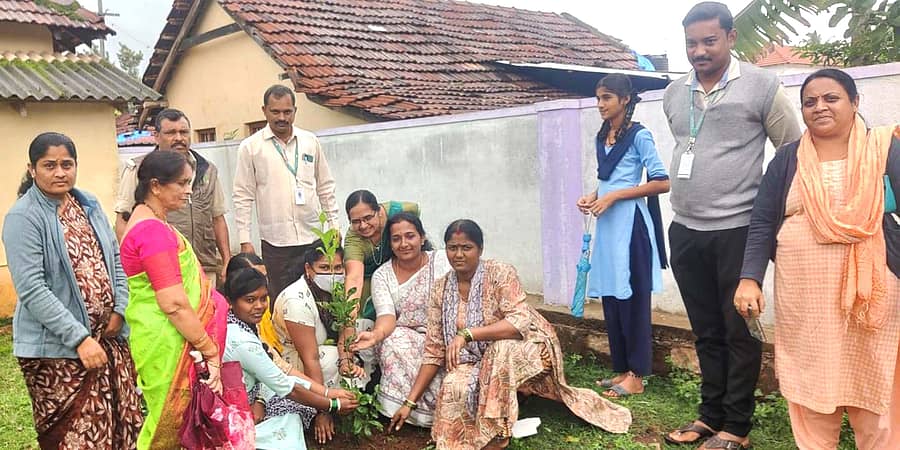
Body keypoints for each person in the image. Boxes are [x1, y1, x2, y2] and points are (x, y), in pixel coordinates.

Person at [736, 69, 900, 450]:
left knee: (875, 382)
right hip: (804, 299)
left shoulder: (884, 149)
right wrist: (749, 278)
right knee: (811, 384)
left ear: (854, 102)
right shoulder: (787, 158)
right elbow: (762, 221)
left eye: (831, 98)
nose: (819, 107)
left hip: (872, 297)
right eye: (810, 102)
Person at [661, 3, 802, 448]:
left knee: (739, 331)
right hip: (685, 230)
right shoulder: (674, 92)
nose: (699, 51)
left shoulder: (761, 86)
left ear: (731, 37)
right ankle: (710, 416)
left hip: (739, 230)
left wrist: (775, 217)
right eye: (691, 43)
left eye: (709, 41)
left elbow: (792, 152)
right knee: (706, 331)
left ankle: (736, 427)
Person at [392, 219, 632, 449]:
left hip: (529, 347)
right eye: (452, 248)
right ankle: (463, 441)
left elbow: (519, 324)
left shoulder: (500, 273)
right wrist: (409, 403)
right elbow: (434, 350)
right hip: (476, 359)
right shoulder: (441, 289)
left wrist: (468, 334)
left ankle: (499, 433)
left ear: (480, 249)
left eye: (466, 247)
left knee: (501, 350)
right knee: (454, 385)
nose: (459, 254)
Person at [3, 132, 144, 449]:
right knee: (78, 439)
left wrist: (119, 309)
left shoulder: (87, 204)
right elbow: (32, 288)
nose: (59, 172)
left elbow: (116, 259)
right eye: (49, 165)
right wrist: (80, 339)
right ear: (32, 169)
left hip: (107, 341)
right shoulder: (24, 217)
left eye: (66, 164)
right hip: (58, 352)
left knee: (120, 431)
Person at [119, 150, 249, 449]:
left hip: (165, 336)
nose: (188, 190)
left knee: (180, 425)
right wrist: (208, 348)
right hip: (169, 341)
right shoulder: (151, 232)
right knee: (171, 427)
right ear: (155, 186)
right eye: (181, 183)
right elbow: (174, 303)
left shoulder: (149, 222)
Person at [576, 74, 670, 398]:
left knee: (633, 298)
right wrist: (593, 196)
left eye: (607, 98)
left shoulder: (639, 136)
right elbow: (609, 180)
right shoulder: (603, 135)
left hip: (631, 226)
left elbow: (661, 182)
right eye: (598, 98)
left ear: (625, 99)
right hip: (608, 225)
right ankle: (621, 369)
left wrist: (614, 197)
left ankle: (637, 375)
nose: (600, 104)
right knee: (612, 297)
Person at [222, 266, 358, 448]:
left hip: (253, 394)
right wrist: (332, 405)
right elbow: (289, 388)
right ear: (230, 301)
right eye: (250, 300)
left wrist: (327, 393)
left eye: (263, 298)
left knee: (293, 413)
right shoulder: (241, 341)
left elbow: (281, 368)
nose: (259, 306)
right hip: (233, 409)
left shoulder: (243, 324)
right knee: (290, 418)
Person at [233, 84, 340, 301]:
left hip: (312, 237)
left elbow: (325, 186)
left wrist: (334, 225)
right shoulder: (251, 147)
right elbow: (243, 195)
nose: (282, 117)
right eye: (275, 112)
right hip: (276, 243)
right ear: (264, 111)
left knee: (319, 297)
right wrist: (245, 239)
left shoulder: (310, 142)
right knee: (281, 299)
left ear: (295, 111)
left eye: (287, 112)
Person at [350, 212, 451, 426]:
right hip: (413, 339)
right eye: (396, 239)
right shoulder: (383, 275)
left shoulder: (443, 261)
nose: (404, 244)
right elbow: (387, 316)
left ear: (422, 237)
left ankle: (448, 410)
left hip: (450, 333)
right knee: (392, 340)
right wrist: (376, 335)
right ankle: (413, 413)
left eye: (410, 236)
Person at [272, 241, 374, 443]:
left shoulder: (336, 290)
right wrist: (322, 409)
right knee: (331, 357)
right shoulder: (297, 301)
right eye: (324, 268)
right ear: (308, 269)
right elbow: (310, 358)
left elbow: (346, 326)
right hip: (294, 362)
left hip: (321, 348)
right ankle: (323, 407)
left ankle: (352, 399)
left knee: (366, 329)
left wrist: (346, 362)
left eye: (337, 268)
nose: (332, 274)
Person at [114, 108, 231, 284]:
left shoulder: (207, 169)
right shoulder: (139, 169)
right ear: (156, 136)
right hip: (162, 268)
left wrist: (226, 259)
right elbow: (123, 220)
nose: (178, 138)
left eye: (183, 132)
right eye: (171, 133)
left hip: (204, 266)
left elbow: (218, 218)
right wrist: (134, 269)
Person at [226, 252, 283, 353]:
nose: (262, 282)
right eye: (254, 277)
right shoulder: (234, 334)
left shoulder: (265, 301)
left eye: (264, 276)